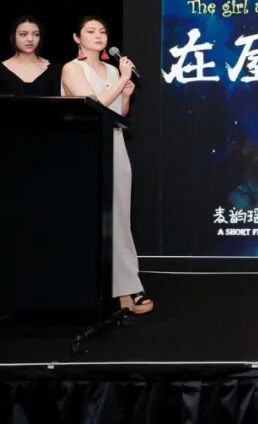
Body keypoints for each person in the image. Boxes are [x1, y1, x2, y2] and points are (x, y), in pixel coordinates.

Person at [60, 16, 153, 314]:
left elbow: (116, 114)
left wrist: (125, 95)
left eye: (102, 31)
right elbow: (93, 105)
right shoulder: (72, 68)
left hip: (114, 142)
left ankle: (127, 287)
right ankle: (85, 288)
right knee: (85, 217)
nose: (98, 36)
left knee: (120, 217)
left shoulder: (113, 70)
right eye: (90, 31)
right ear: (77, 38)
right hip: (85, 146)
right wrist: (123, 79)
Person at [1, 16, 60, 95]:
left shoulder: (55, 69)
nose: (30, 39)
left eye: (36, 34)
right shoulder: (2, 70)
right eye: (23, 34)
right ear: (12, 36)